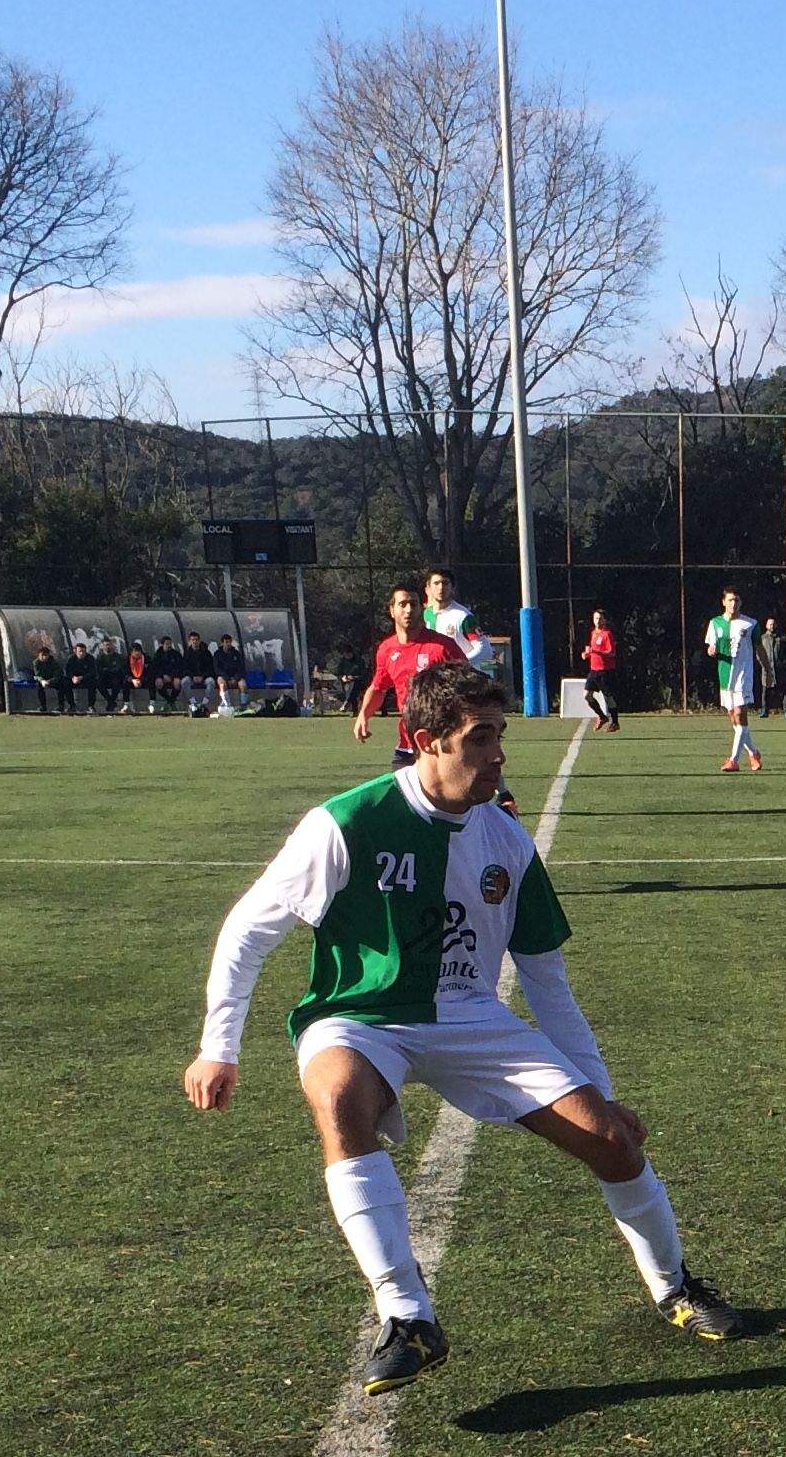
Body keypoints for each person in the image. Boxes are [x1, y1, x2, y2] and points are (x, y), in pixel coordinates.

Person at [187, 663, 743, 1395]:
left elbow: (547, 983)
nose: (499, 755)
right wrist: (217, 1048)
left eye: (500, 735)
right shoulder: (346, 823)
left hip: (470, 1016)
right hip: (359, 1014)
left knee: (612, 1141)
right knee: (339, 1100)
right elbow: (246, 932)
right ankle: (408, 1316)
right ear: (425, 741)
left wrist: (602, 1097)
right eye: (479, 739)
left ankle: (674, 1287)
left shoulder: (506, 841)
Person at [354, 586, 469, 766]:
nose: (409, 610)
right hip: (407, 743)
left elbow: (467, 686)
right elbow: (379, 687)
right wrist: (363, 716)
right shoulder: (386, 649)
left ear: (421, 608)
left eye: (413, 604)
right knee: (400, 792)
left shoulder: (442, 647)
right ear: (392, 610)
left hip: (441, 742)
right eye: (403, 604)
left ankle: (501, 793)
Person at [707, 588, 764, 770]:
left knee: (740, 714)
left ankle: (734, 760)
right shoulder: (715, 623)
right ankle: (754, 752)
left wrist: (768, 670)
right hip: (725, 677)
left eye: (737, 600)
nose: (734, 604)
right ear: (723, 602)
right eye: (730, 600)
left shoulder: (751, 624)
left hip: (743, 676)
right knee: (734, 719)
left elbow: (759, 648)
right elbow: (711, 646)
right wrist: (711, 650)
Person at [582, 609, 621, 732]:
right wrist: (586, 655)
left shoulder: (607, 634)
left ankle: (615, 722)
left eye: (600, 618)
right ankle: (602, 716)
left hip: (605, 671)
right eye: (595, 618)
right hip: (594, 670)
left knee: (608, 697)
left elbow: (611, 653)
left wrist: (596, 652)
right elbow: (593, 651)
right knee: (587, 695)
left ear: (605, 620)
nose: (597, 621)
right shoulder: (594, 633)